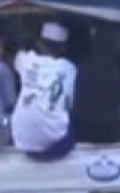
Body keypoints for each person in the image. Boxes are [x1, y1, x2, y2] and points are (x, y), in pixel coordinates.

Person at [11, 22, 77, 157]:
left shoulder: (25, 60)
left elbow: (18, 52)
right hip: (56, 142)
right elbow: (70, 104)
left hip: (22, 140)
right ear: (64, 47)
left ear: (39, 43)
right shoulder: (70, 68)